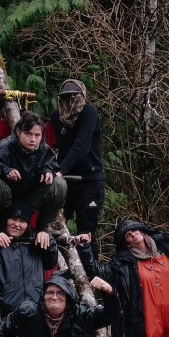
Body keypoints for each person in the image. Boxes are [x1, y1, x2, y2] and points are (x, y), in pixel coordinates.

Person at [0, 111, 67, 237]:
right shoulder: (4, 146)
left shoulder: (44, 150)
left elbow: (52, 165)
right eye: (28, 134)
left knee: (59, 183)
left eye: (37, 135)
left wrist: (48, 171)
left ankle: (45, 226)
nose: (33, 139)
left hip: (30, 200)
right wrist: (5, 170)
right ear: (18, 131)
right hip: (4, 201)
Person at [0, 199, 58, 320]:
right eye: (13, 219)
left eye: (22, 221)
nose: (17, 224)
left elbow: (50, 262)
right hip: (2, 317)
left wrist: (49, 240)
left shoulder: (34, 240)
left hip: (35, 314)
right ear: (5, 220)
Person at [50, 79, 104, 243]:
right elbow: (49, 144)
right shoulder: (56, 117)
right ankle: (60, 266)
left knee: (86, 232)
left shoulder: (89, 112)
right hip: (66, 182)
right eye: (66, 97)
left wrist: (60, 170)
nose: (71, 101)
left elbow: (82, 145)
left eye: (75, 96)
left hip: (90, 180)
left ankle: (88, 268)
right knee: (56, 227)